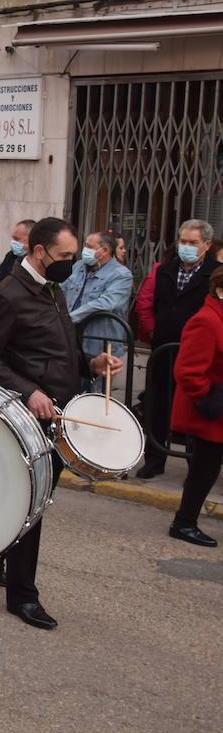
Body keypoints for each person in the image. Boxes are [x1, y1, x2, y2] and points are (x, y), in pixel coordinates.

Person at [0, 217, 120, 630]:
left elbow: (60, 347)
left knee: (28, 499)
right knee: (33, 503)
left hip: (60, 409)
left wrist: (92, 363)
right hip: (28, 416)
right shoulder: (9, 295)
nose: (72, 264)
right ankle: (23, 595)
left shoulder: (52, 289)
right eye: (66, 256)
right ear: (40, 252)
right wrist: (29, 391)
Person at [140, 219, 219, 479]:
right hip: (164, 348)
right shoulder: (166, 269)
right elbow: (154, 304)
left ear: (206, 245)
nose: (186, 247)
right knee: (157, 405)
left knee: (194, 408)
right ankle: (154, 459)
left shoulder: (216, 273)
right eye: (182, 241)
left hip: (197, 353)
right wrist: (154, 332)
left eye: (192, 243)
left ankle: (194, 467)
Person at [166, 267, 223, 548]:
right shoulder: (207, 320)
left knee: (206, 469)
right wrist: (210, 399)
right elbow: (187, 371)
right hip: (209, 413)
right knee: (203, 470)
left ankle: (185, 520)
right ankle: (184, 522)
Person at [62, 231, 133, 362]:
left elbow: (106, 303)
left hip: (100, 346)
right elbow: (61, 290)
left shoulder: (121, 275)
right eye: (85, 245)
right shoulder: (78, 266)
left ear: (104, 250)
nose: (84, 250)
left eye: (89, 247)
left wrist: (70, 318)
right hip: (72, 342)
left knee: (97, 382)